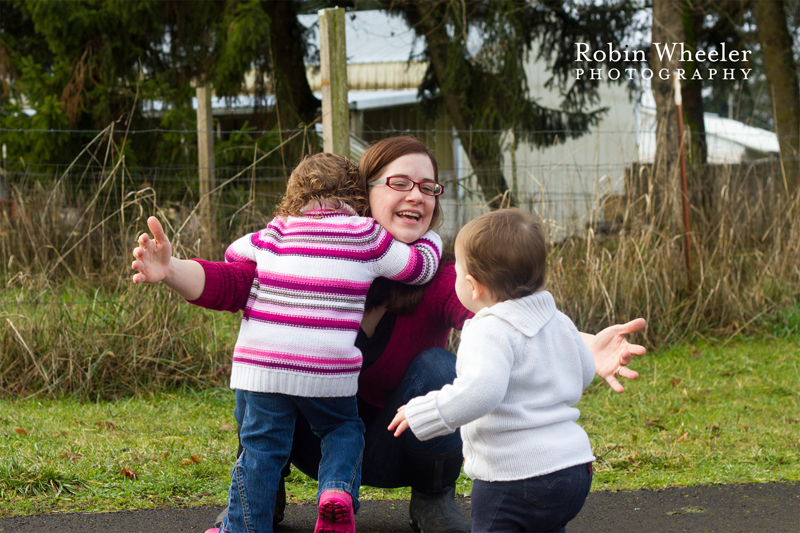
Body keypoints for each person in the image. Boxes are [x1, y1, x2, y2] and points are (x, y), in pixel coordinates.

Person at [133, 136, 645, 533]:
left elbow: (512, 316)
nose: (416, 195)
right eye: (400, 183)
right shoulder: (306, 261)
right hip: (315, 444)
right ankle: (264, 495)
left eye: (428, 187)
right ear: (364, 193)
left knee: (441, 368)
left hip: (400, 442)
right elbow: (232, 281)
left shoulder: (446, 276)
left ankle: (432, 495)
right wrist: (171, 269)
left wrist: (581, 343)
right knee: (265, 360)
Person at [132, 152, 443, 533]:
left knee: (260, 449)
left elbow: (234, 254)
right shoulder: (367, 235)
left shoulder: (274, 231)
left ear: (293, 196)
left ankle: (243, 527)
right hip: (325, 371)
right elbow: (419, 267)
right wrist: (434, 239)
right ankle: (335, 494)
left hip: (261, 370)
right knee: (343, 430)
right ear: (359, 199)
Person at [389, 208, 596, 533]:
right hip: (574, 470)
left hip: (514, 476)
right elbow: (584, 372)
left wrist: (424, 412)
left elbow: (480, 392)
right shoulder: (559, 321)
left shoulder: (487, 329)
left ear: (473, 286)